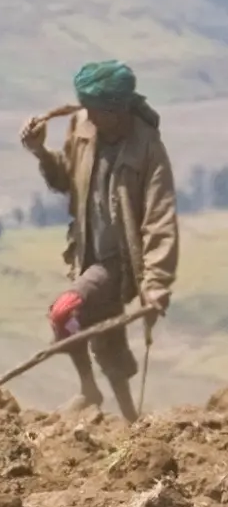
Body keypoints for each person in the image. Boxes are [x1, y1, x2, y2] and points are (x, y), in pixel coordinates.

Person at [19, 60, 179, 420]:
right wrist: (40, 152)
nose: (88, 115)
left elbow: (160, 220)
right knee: (104, 338)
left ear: (118, 109)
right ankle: (131, 421)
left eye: (96, 110)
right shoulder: (83, 127)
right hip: (85, 253)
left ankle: (88, 391)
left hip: (118, 263)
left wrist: (156, 285)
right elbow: (65, 180)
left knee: (64, 313)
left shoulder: (147, 148)